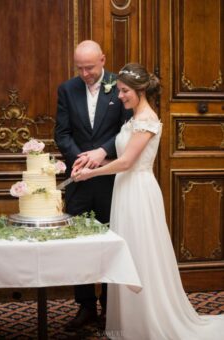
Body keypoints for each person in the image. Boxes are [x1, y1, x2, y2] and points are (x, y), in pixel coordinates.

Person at [72, 63, 224, 339]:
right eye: (118, 91)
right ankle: (131, 322)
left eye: (124, 91)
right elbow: (120, 156)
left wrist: (90, 174)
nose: (119, 96)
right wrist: (92, 159)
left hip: (139, 193)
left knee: (141, 254)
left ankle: (149, 320)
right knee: (128, 254)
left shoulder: (147, 120)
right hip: (125, 191)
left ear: (140, 90)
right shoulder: (132, 119)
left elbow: (128, 162)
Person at [54, 40, 132, 331]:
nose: (85, 73)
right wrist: (82, 160)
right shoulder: (66, 89)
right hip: (78, 178)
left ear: (102, 60)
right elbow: (61, 133)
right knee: (79, 245)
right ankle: (85, 306)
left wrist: (102, 153)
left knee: (110, 242)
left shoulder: (119, 86)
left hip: (111, 179)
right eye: (80, 68)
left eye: (90, 67)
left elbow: (128, 129)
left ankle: (109, 307)